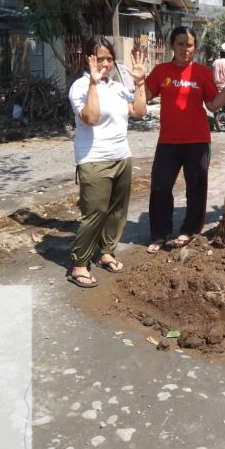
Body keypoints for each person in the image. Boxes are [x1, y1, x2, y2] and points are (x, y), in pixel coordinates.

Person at [66, 37, 148, 288]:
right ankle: (79, 263)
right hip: (94, 159)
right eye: (99, 58)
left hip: (121, 156)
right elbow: (90, 118)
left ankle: (106, 253)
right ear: (88, 59)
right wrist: (93, 82)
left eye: (109, 59)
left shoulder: (115, 87)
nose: (104, 64)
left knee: (117, 210)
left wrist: (140, 82)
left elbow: (139, 111)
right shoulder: (79, 87)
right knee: (95, 212)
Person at [144, 26, 225, 253]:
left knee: (196, 189)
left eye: (189, 45)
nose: (185, 49)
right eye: (180, 44)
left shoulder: (202, 73)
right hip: (168, 142)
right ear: (172, 45)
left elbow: (212, 105)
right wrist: (137, 80)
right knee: (160, 187)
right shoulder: (161, 71)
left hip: (197, 142)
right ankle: (160, 234)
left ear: (195, 48)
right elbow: (144, 97)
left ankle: (189, 231)